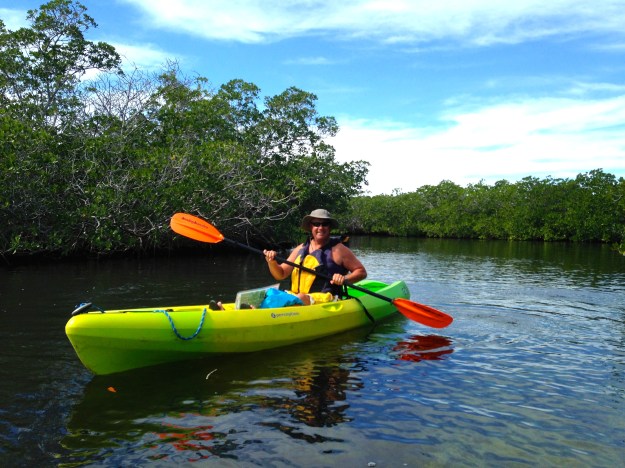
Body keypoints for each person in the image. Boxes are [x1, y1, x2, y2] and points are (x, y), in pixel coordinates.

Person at [263, 209, 367, 305]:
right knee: (270, 293)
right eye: (316, 224)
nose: (320, 228)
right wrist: (271, 262)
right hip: (298, 297)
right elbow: (281, 274)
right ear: (310, 227)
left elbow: (361, 272)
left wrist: (344, 278)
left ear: (329, 227)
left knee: (300, 298)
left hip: (327, 299)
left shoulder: (339, 250)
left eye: (325, 224)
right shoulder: (301, 248)